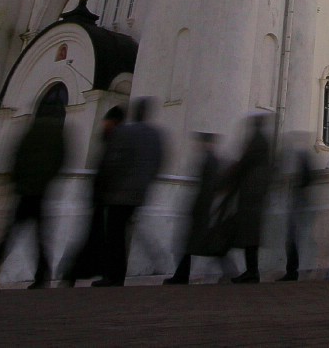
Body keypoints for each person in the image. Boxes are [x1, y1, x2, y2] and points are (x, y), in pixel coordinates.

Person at [0, 98, 67, 290]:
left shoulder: (32, 132)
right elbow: (61, 160)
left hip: (25, 190)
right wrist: (48, 180)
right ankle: (42, 275)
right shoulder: (58, 134)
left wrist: (13, 181)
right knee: (39, 236)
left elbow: (17, 155)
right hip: (41, 191)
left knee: (10, 236)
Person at [93, 98, 165, 287]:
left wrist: (105, 184)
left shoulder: (124, 132)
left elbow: (113, 160)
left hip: (118, 192)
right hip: (139, 192)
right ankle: (120, 275)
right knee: (125, 231)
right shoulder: (155, 135)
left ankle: (113, 275)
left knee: (114, 235)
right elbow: (158, 162)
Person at [62, 105, 126, 286]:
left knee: (100, 238)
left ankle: (76, 274)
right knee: (101, 238)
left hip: (107, 197)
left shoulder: (116, 139)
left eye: (108, 121)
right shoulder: (114, 138)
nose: (104, 124)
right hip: (106, 197)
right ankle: (81, 273)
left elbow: (110, 167)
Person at [220, 115, 274, 283]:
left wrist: (226, 179)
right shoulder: (263, 143)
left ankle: (249, 271)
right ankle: (250, 270)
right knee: (248, 236)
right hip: (254, 196)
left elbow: (244, 162)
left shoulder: (257, 142)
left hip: (250, 196)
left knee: (242, 234)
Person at [165, 132, 221, 284]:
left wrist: (198, 206)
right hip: (204, 208)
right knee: (194, 244)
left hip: (202, 208)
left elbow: (208, 186)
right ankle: (181, 274)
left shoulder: (210, 160)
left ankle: (181, 275)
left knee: (196, 244)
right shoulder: (212, 160)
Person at [280, 145, 316, 281]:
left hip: (297, 208)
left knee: (292, 239)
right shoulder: (303, 164)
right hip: (298, 208)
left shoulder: (300, 167)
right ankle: (291, 270)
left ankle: (292, 271)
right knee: (292, 239)